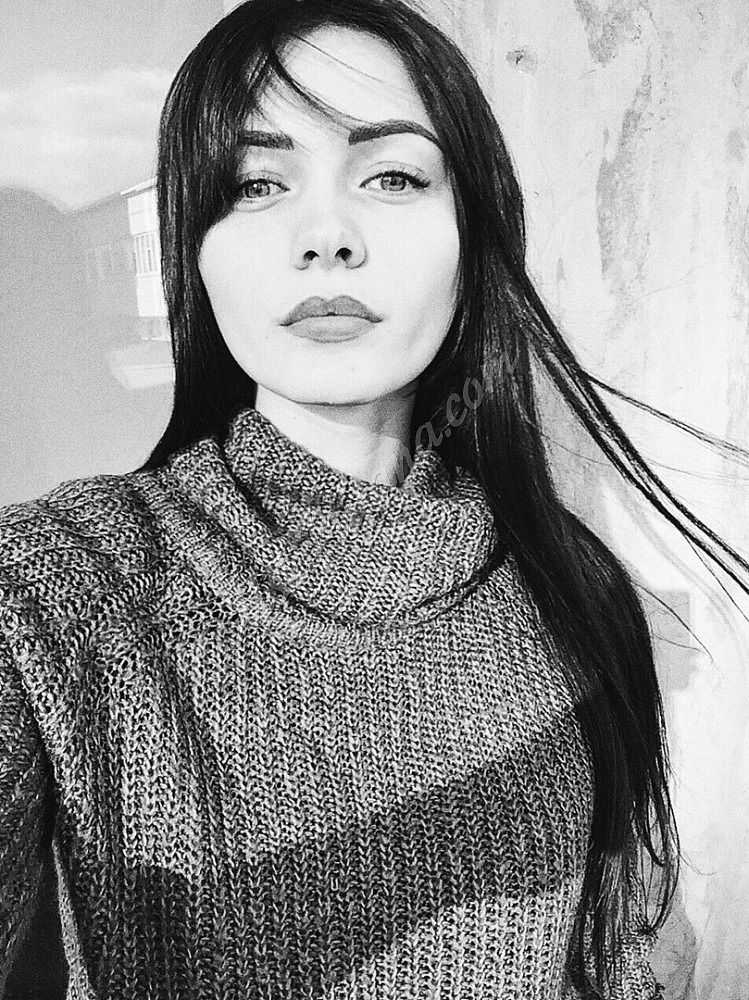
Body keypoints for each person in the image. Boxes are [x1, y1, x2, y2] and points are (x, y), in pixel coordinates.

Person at [1, 0, 747, 996]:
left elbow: (611, 962)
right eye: (254, 184)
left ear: (472, 230)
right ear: (195, 252)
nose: (325, 235)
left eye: (392, 175)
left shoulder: (570, 585)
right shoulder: (59, 589)